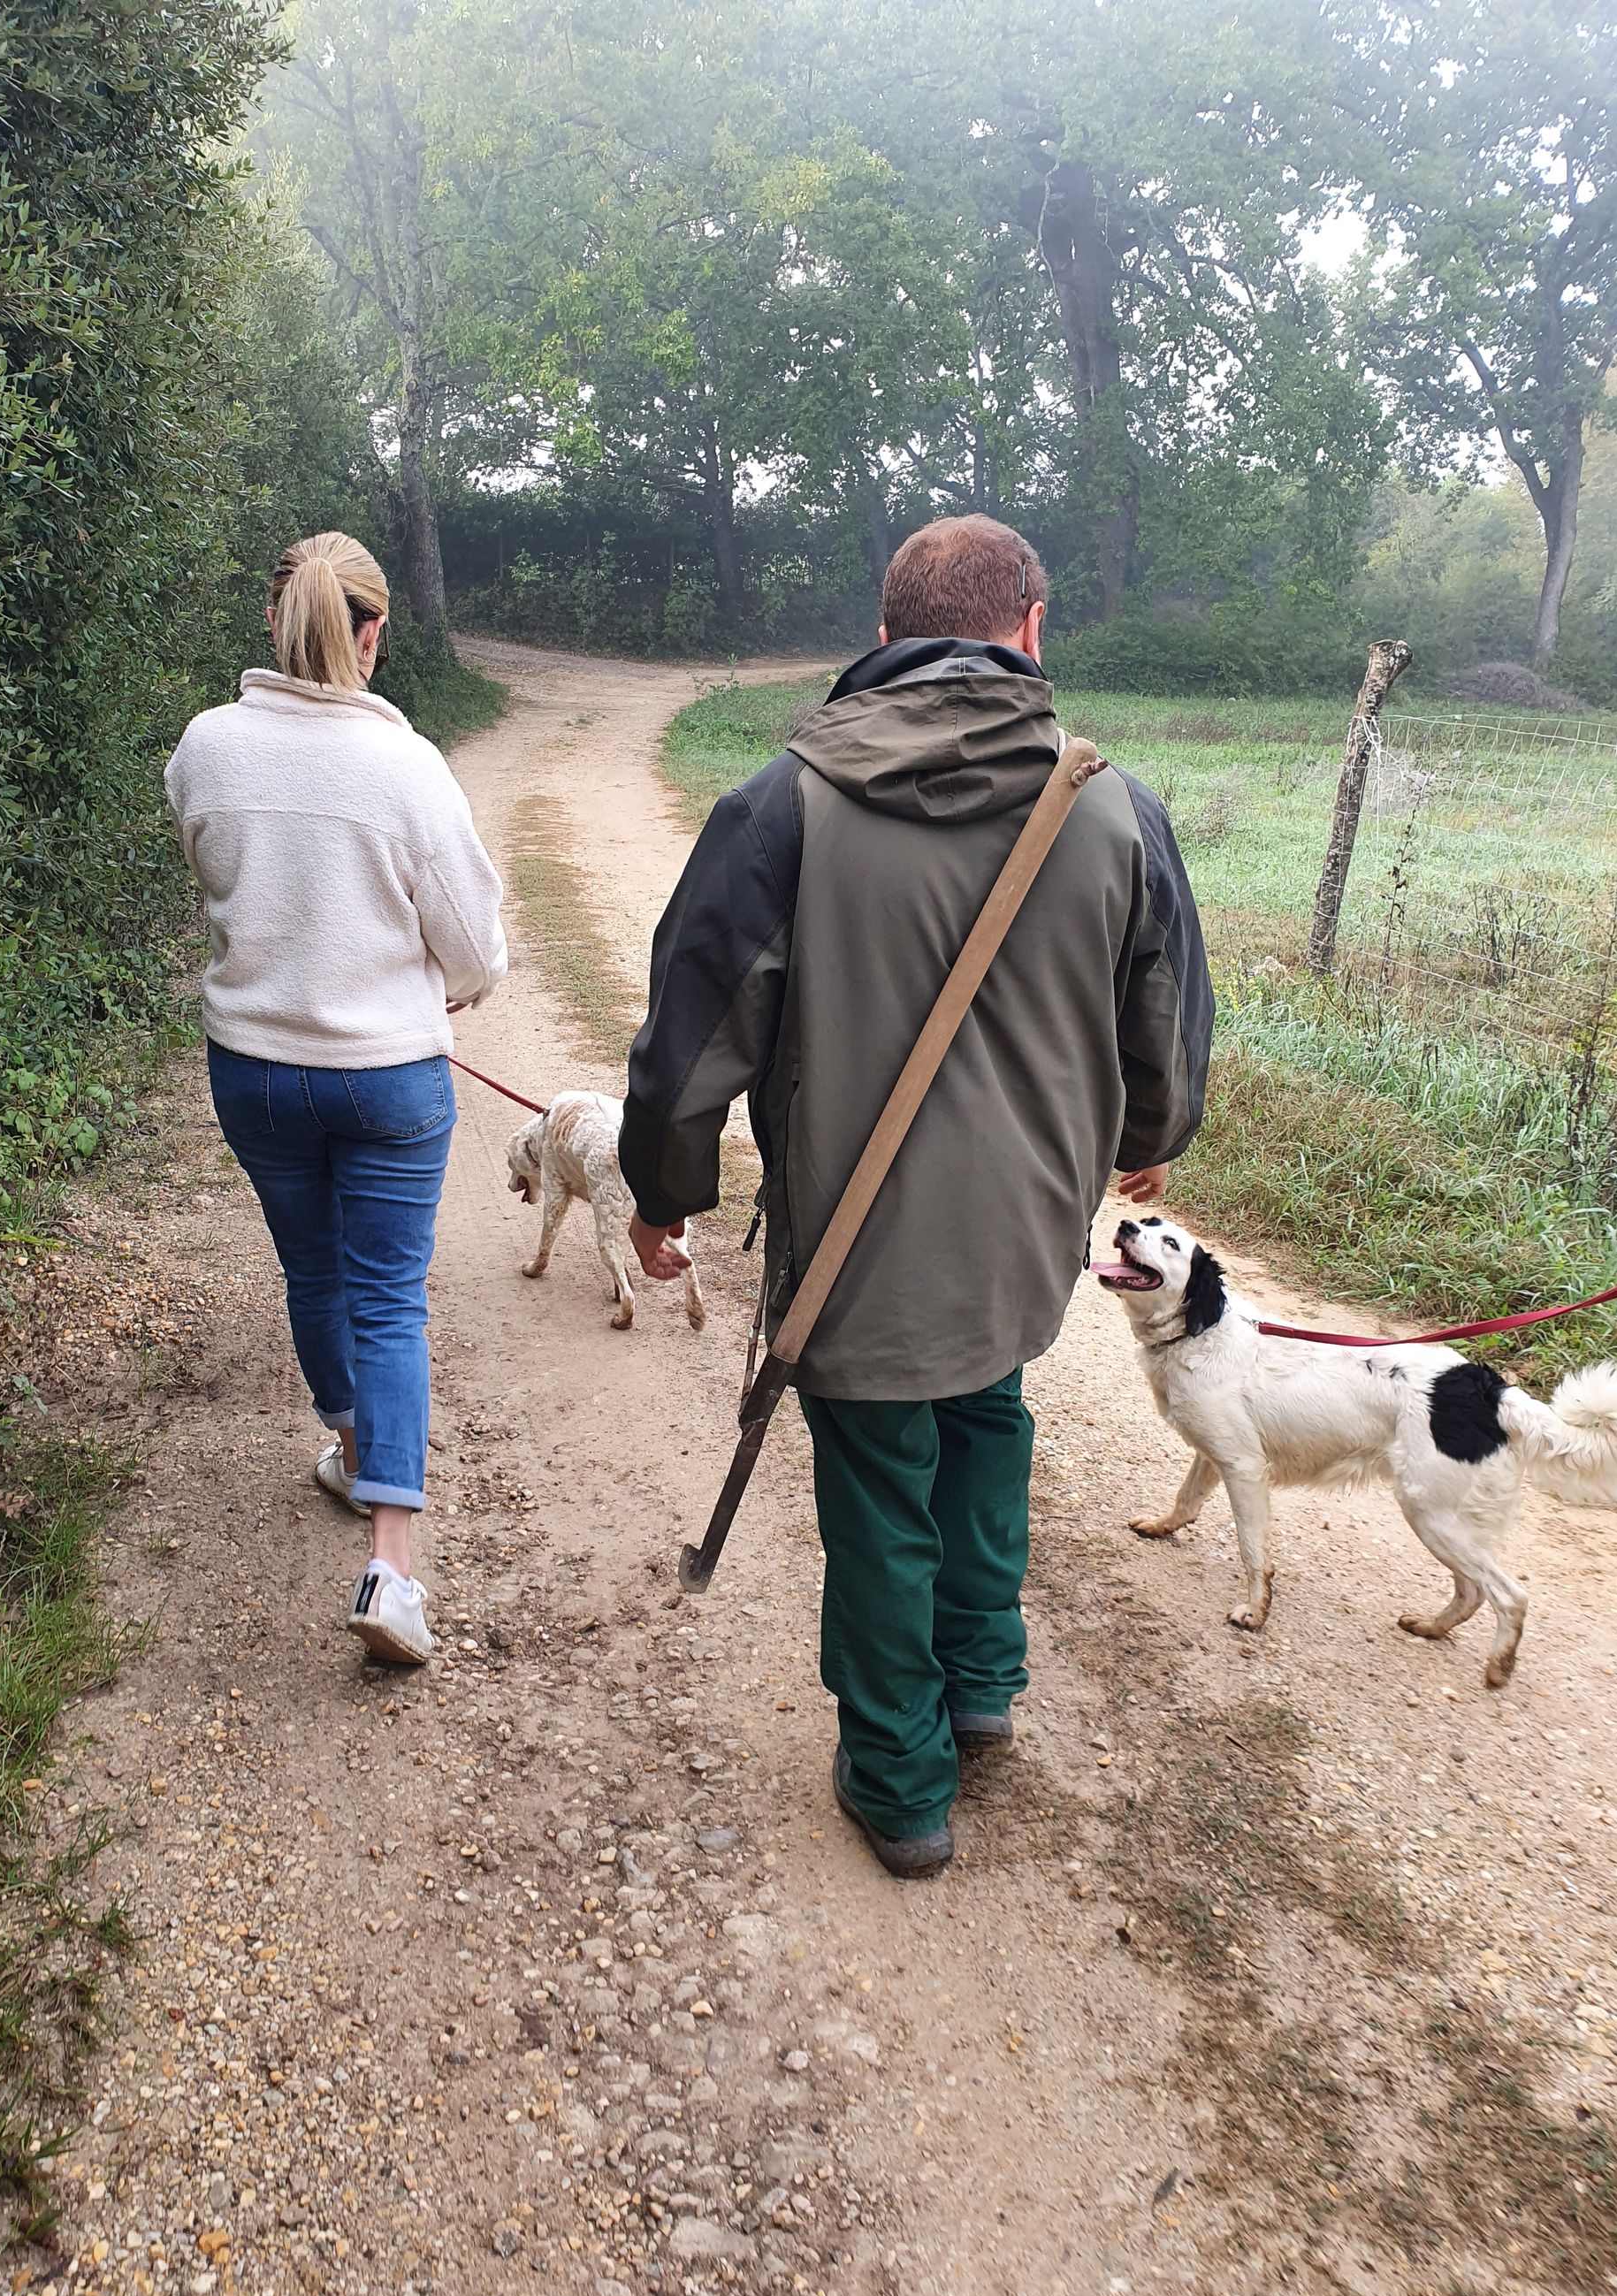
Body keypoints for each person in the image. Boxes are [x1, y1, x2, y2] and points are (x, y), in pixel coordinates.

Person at [618, 515, 1211, 1877]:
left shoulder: (784, 803)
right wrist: (1156, 1131)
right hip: (1024, 1230)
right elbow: (1168, 1024)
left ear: (883, 640)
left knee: (886, 1481)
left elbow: (696, 1027)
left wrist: (664, 1191)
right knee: (989, 1415)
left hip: (855, 1232)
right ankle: (982, 1677)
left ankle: (900, 1779)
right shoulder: (1117, 807)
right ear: (1033, 625)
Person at [164, 531, 507, 1667]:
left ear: (274, 623)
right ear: (372, 634)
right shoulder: (406, 766)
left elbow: (213, 866)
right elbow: (474, 948)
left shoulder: (206, 748)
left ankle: (355, 1444)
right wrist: (440, 992)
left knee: (315, 1273)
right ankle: (391, 1567)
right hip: (389, 1080)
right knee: (388, 1298)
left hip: (253, 1069)